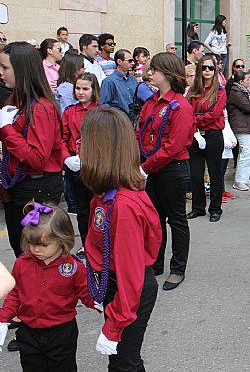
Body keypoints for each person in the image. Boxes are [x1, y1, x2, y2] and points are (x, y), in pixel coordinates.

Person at [80, 107, 162, 368]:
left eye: (84, 142)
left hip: (128, 293)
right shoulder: (107, 196)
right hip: (116, 286)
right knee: (125, 361)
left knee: (123, 363)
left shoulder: (123, 206)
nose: (78, 147)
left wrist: (114, 326)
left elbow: (131, 277)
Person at [0, 201, 97, 370]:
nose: (36, 249)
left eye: (43, 245)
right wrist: (3, 319)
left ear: (62, 239)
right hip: (28, 331)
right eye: (31, 243)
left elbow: (86, 293)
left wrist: (103, 303)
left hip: (61, 332)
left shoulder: (74, 267)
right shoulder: (22, 263)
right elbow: (15, 293)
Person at [0, 42, 65, 258]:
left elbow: (37, 158)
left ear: (21, 69)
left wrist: (7, 129)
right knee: (21, 246)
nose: (1, 73)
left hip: (37, 190)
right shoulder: (16, 100)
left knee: (34, 249)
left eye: (5, 67)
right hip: (19, 187)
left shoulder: (42, 108)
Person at [137, 53, 194, 290]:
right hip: (151, 168)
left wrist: (144, 168)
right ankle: (155, 262)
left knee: (176, 219)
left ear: (168, 74)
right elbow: (140, 132)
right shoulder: (151, 103)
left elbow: (173, 146)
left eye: (155, 70)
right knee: (154, 219)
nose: (150, 73)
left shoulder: (180, 106)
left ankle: (177, 268)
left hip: (171, 169)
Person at [62, 72, 100, 258]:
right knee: (82, 208)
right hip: (75, 165)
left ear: (94, 90)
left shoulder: (100, 111)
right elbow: (61, 138)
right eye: (78, 88)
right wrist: (66, 158)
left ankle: (101, 241)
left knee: (98, 206)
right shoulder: (69, 112)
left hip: (96, 165)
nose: (81, 92)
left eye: (85, 89)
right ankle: (86, 243)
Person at [186, 56, 227, 222]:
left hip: (213, 135)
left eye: (210, 68)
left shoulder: (220, 91)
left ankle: (216, 208)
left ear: (215, 70)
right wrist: (196, 120)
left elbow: (215, 114)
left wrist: (196, 119)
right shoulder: (193, 90)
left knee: (215, 173)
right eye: (204, 68)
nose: (207, 71)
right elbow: (186, 111)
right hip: (195, 135)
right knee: (195, 174)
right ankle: (198, 207)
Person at [227, 71, 250, 191]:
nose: (249, 82)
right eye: (247, 80)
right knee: (246, 152)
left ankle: (244, 178)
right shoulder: (236, 93)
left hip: (246, 126)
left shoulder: (242, 91)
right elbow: (249, 107)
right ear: (241, 82)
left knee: (248, 153)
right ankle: (239, 180)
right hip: (241, 126)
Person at [100, 49, 138, 114]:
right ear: (119, 61)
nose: (133, 63)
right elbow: (104, 105)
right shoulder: (109, 81)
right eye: (130, 61)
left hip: (133, 120)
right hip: (118, 120)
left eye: (133, 60)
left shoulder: (133, 79)